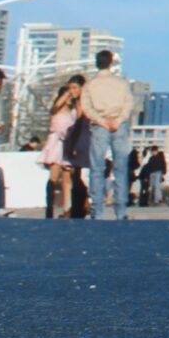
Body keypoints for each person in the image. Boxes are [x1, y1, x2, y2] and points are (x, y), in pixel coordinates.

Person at [79, 48, 133, 222]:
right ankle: (121, 210)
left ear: (97, 63)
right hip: (119, 125)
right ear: (110, 63)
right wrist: (118, 120)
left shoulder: (90, 85)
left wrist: (101, 121)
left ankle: (97, 211)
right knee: (120, 169)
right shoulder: (122, 83)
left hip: (99, 127)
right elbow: (128, 104)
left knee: (97, 169)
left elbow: (86, 107)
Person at [40, 75, 86, 219]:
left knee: (67, 177)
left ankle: (68, 207)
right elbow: (54, 109)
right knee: (53, 177)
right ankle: (50, 207)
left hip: (68, 144)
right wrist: (66, 94)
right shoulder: (58, 110)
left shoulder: (73, 111)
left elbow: (79, 121)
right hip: (57, 143)